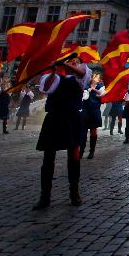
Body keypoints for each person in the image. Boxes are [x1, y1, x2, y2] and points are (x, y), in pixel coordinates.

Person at [33, 54, 91, 209]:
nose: (74, 64)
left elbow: (80, 73)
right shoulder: (54, 76)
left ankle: (74, 192)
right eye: (72, 62)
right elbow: (46, 88)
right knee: (48, 158)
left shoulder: (82, 75)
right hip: (53, 118)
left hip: (72, 118)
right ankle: (45, 196)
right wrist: (53, 70)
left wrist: (66, 64)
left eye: (76, 62)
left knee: (74, 156)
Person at [80, 72, 104, 158]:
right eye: (95, 77)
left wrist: (93, 89)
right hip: (86, 111)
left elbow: (101, 94)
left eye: (97, 77)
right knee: (83, 131)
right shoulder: (86, 86)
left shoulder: (100, 86)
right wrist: (87, 91)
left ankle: (92, 151)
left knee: (93, 131)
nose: (96, 79)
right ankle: (81, 151)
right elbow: (85, 97)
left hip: (95, 111)